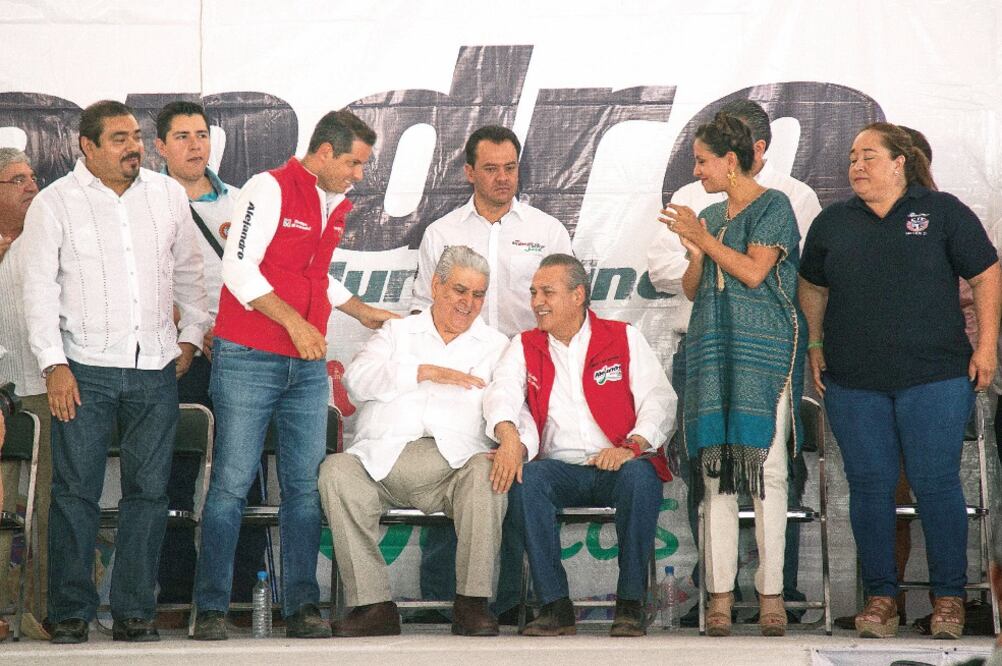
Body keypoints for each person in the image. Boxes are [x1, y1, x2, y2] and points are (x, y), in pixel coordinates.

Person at [191, 109, 397, 641]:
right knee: (232, 485)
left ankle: (302, 607)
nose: (359, 174)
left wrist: (362, 311)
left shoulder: (335, 204)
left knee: (305, 490)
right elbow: (238, 269)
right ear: (325, 152)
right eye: (353, 162)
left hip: (305, 366)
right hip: (249, 357)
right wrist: (295, 324)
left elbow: (314, 276)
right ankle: (211, 608)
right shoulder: (268, 186)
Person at [799, 122, 1001, 639]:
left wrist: (984, 348)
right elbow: (811, 284)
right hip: (854, 381)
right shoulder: (833, 222)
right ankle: (881, 598)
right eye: (851, 158)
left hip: (934, 376)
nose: (856, 166)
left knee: (936, 484)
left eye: (868, 156)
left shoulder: (942, 212)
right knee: (869, 488)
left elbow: (986, 274)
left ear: (899, 163)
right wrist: (817, 344)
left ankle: (950, 600)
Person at [19, 100, 211, 644]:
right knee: (76, 493)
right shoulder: (56, 203)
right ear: (88, 146)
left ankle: (133, 612)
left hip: (155, 369)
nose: (134, 148)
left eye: (136, 137)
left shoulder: (167, 195)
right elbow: (39, 290)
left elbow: (191, 271)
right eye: (120, 139)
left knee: (149, 494)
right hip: (85, 367)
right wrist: (54, 363)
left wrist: (191, 336)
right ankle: (72, 612)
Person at [647, 99, 820, 626]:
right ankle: (719, 596)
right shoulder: (711, 215)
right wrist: (696, 254)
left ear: (731, 159)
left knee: (768, 472)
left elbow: (752, 273)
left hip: (766, 359)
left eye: (702, 162)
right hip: (713, 353)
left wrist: (704, 240)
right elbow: (697, 289)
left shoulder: (776, 207)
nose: (696, 173)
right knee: (716, 474)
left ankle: (771, 597)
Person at [409, 125, 572, 620]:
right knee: (455, 467)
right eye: (491, 168)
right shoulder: (442, 233)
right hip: (462, 371)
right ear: (468, 172)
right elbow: (422, 308)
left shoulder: (546, 231)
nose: (503, 178)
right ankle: (443, 599)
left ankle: (506, 601)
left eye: (511, 167)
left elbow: (564, 306)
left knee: (513, 474)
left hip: (527, 371)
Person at [320, 245, 510, 637]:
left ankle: (472, 604)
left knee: (488, 471)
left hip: (453, 466)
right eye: (460, 290)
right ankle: (373, 606)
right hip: (382, 459)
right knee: (336, 471)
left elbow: (506, 399)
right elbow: (356, 380)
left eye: (477, 294)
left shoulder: (495, 345)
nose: (467, 303)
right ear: (437, 286)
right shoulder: (398, 331)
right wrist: (422, 371)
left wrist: (510, 441)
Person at [483, 253, 676, 637]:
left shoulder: (622, 337)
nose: (537, 301)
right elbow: (500, 393)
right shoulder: (524, 345)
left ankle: (631, 604)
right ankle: (554, 606)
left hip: (618, 463)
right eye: (534, 292)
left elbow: (659, 400)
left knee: (641, 478)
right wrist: (507, 436)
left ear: (578, 295)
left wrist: (633, 446)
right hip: (560, 468)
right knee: (526, 481)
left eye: (547, 292)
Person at [152, 100, 267, 626]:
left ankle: (243, 595)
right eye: (181, 136)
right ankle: (175, 593)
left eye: (201, 134)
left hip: (241, 353)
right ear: (160, 146)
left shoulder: (243, 203)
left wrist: (240, 329)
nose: (195, 144)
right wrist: (190, 332)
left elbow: (265, 278)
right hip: (177, 354)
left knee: (243, 475)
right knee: (174, 472)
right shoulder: (145, 203)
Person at [0, 148, 52, 633]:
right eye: (17, 180)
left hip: (39, 387)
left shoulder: (48, 237)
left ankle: (37, 611)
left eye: (32, 177)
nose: (32, 186)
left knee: (44, 506)